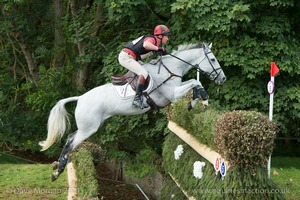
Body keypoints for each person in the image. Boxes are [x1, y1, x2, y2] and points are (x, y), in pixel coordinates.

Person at [118, 25, 170, 109]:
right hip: (126, 57)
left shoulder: (154, 44)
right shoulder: (151, 39)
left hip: (132, 57)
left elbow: (143, 54)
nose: (168, 38)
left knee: (147, 70)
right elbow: (146, 44)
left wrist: (161, 51)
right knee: (143, 73)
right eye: (166, 36)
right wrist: (158, 49)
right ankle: (137, 99)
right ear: (160, 36)